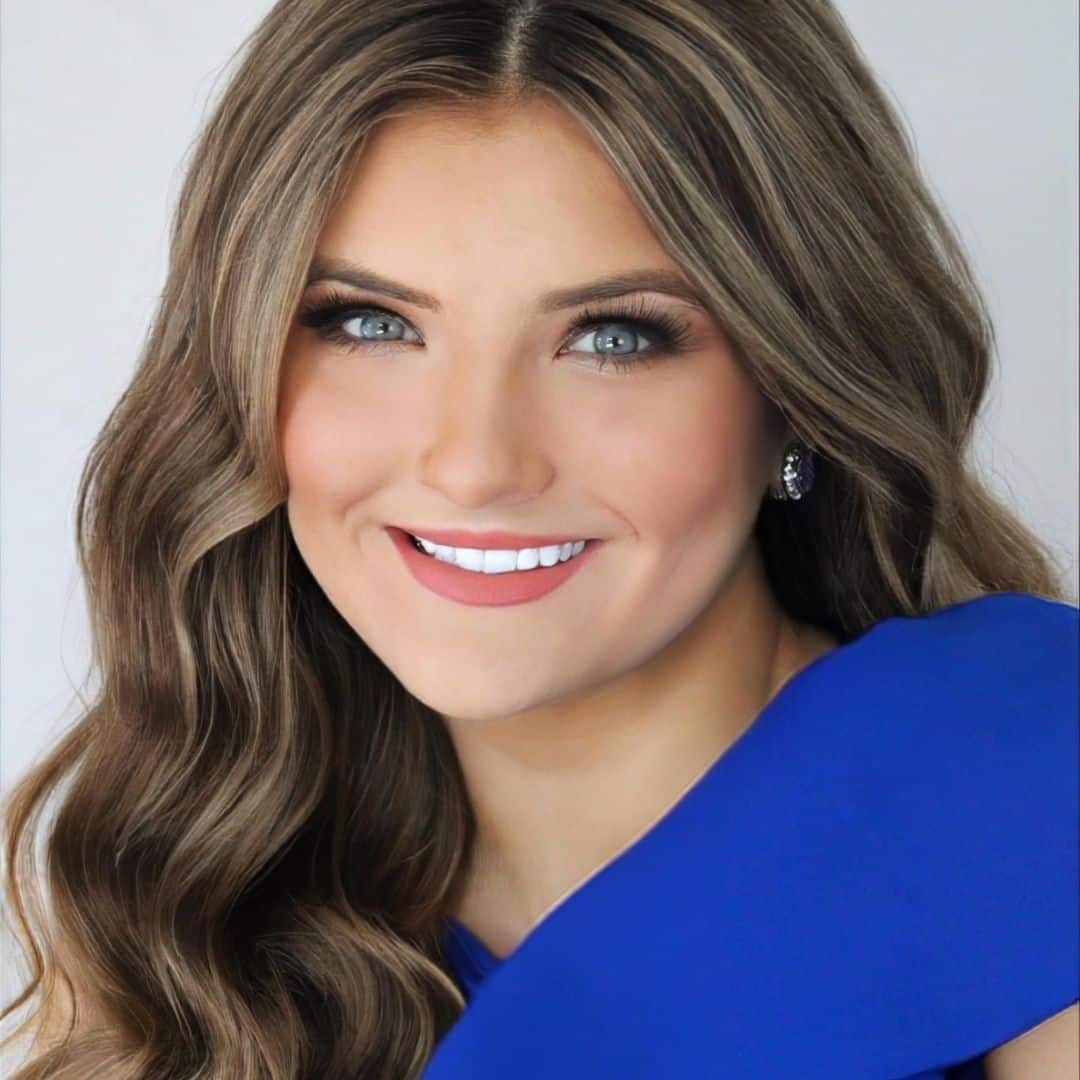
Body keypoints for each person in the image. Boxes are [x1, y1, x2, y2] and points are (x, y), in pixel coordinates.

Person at [2, 1, 1076, 1078]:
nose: (475, 463)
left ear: (798, 387)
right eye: (370, 324)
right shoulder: (188, 904)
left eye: (614, 337)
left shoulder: (1033, 785)